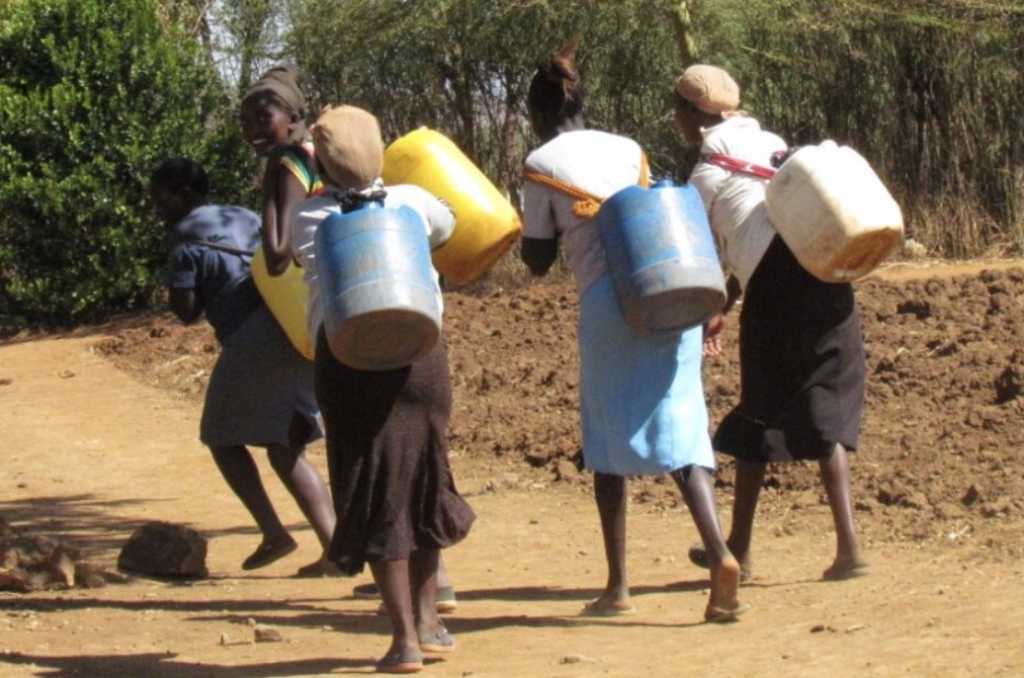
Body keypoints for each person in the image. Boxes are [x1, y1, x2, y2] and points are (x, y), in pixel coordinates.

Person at [519, 40, 745, 624]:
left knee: (607, 439)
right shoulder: (629, 148)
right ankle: (720, 553)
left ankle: (618, 587)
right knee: (681, 428)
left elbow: (539, 259)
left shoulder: (540, 165)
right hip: (670, 291)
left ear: (539, 116)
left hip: (608, 305)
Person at [291, 105, 475, 674]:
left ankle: (403, 642)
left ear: (319, 158)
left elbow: (294, 260)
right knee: (423, 479)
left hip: (351, 364)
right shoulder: (412, 202)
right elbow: (448, 225)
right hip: (422, 358)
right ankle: (429, 620)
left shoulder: (310, 219)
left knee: (374, 488)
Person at [673, 64, 868, 582]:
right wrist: (727, 306)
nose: (676, 121)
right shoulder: (772, 142)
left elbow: (729, 254)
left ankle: (740, 546)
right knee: (823, 400)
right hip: (827, 268)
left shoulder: (704, 176)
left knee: (759, 410)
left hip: (775, 290)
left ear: (694, 114)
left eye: (678, 111)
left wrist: (715, 306)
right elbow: (762, 234)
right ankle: (848, 549)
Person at [150, 158, 336, 575]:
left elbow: (186, 312)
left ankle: (274, 533)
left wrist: (185, 279)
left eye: (160, 198)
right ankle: (333, 548)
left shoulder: (184, 235)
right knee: (284, 446)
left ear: (183, 194)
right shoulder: (243, 214)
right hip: (294, 326)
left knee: (219, 434)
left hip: (253, 339)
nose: (156, 208)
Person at [239, 65, 323, 276]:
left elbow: (277, 261)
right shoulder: (317, 151)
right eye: (245, 122)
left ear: (293, 120)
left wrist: (270, 178)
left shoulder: (293, 161)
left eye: (263, 118)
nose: (253, 130)